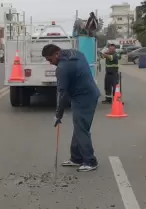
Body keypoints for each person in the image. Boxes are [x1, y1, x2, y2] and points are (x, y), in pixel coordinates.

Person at [42, 44, 100, 172]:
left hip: (84, 98)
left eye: (50, 59)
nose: (50, 63)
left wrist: (58, 114)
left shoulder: (62, 68)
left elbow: (62, 94)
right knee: (79, 127)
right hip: (86, 93)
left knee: (82, 129)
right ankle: (76, 158)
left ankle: (90, 161)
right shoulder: (75, 53)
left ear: (57, 54)